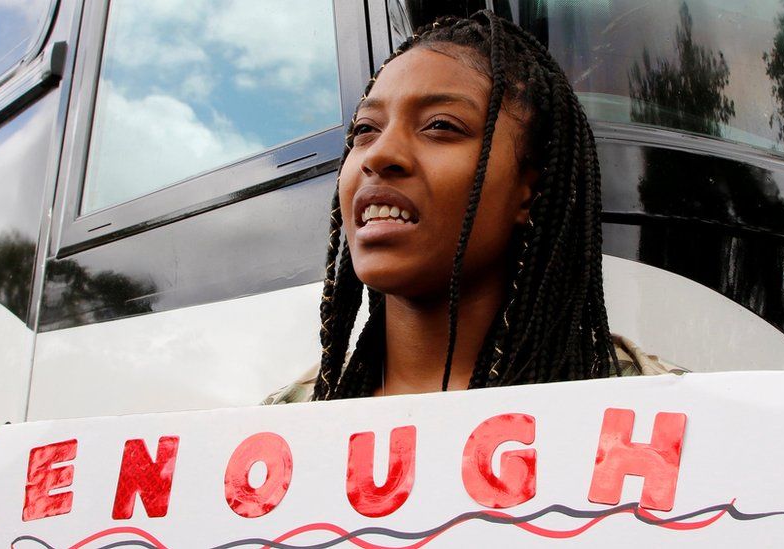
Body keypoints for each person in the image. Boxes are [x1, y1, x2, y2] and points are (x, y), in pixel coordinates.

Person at [264, 10, 679, 405]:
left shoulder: (676, 413)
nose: (379, 154)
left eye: (441, 125)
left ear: (530, 190)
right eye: (365, 130)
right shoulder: (282, 426)